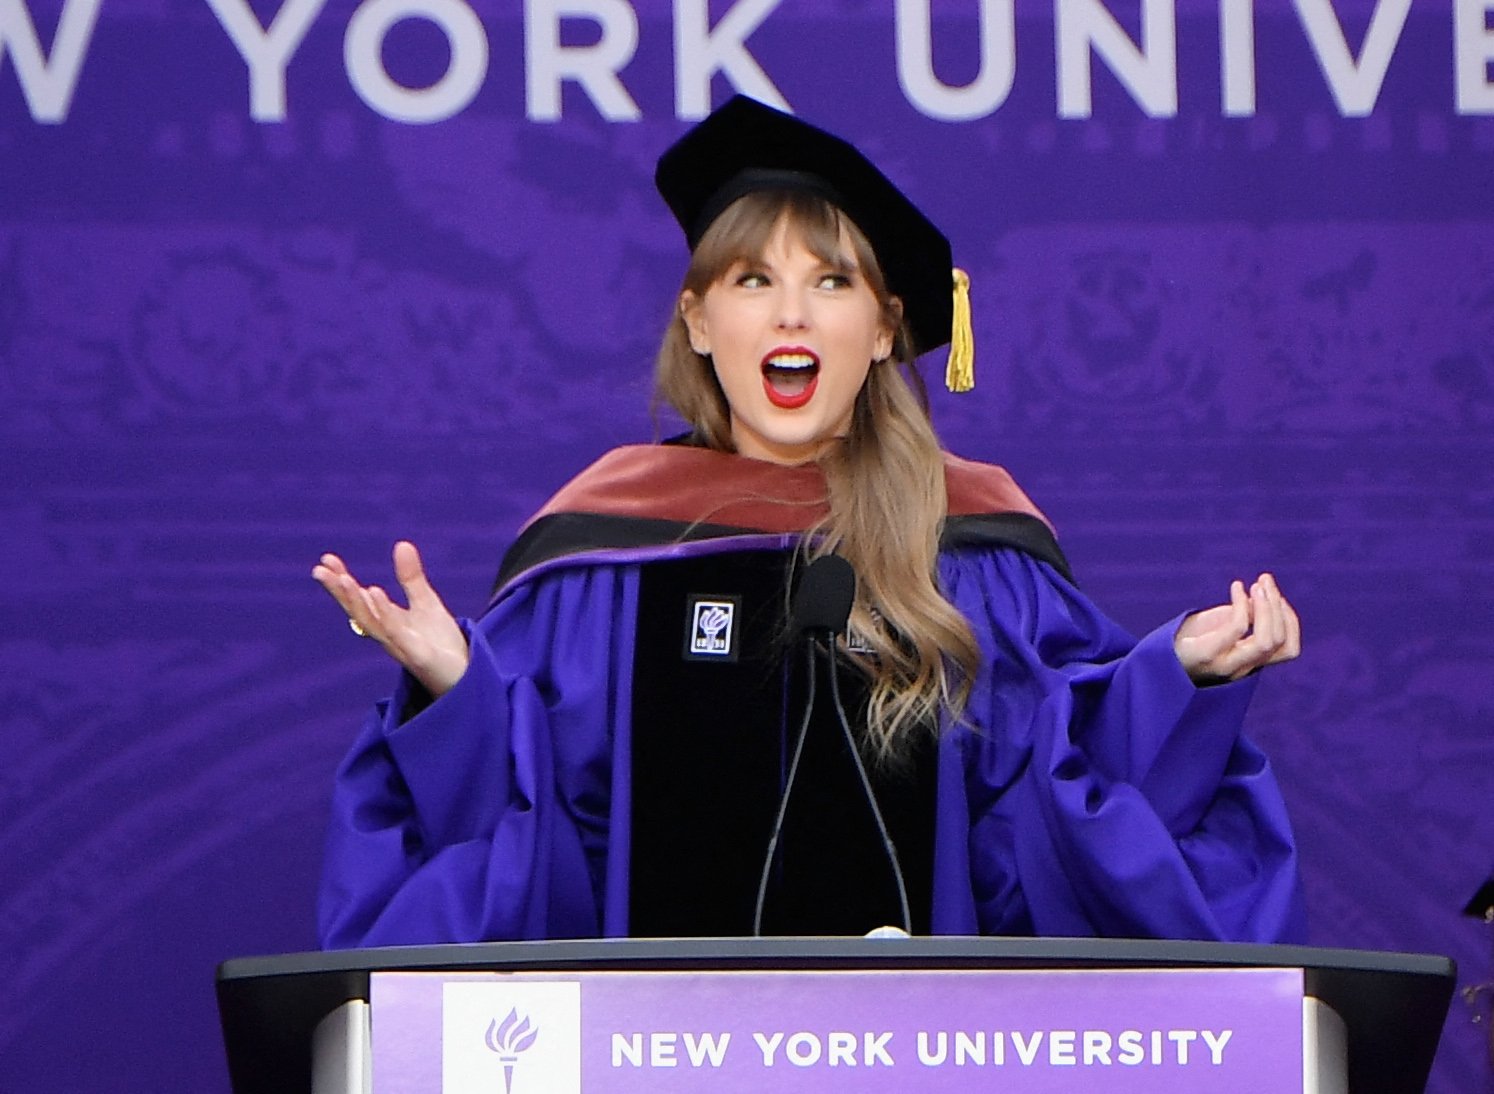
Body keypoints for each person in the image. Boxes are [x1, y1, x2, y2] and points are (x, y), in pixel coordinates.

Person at [312, 96, 1306, 949]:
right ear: (700, 323)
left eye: (832, 282)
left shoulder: (975, 551)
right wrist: (455, 695)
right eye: (754, 281)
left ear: (883, 329)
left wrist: (1179, 676)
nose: (792, 315)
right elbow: (547, 849)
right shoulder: (599, 557)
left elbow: (1047, 805)